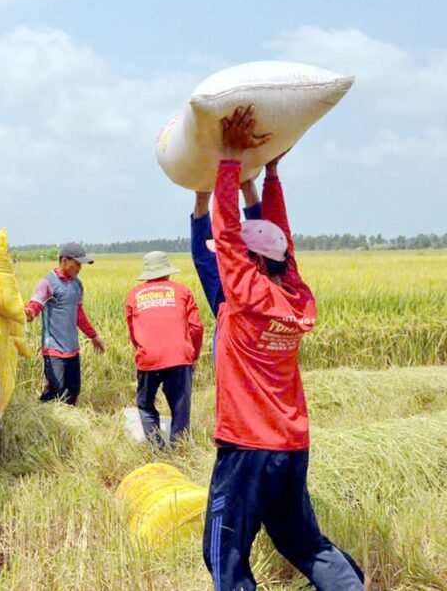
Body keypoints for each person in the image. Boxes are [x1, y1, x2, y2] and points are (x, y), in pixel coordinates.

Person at [202, 105, 364, 590]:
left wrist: (230, 161)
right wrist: (269, 174)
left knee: (224, 555)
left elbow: (228, 236)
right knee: (302, 542)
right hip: (291, 447)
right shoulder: (296, 298)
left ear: (251, 262)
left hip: (247, 449)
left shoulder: (247, 298)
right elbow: (280, 242)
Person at [124, 252, 203, 447]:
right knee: (180, 408)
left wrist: (144, 350)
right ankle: (179, 450)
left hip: (148, 358)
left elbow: (133, 332)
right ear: (167, 273)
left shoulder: (133, 295)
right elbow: (197, 327)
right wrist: (193, 356)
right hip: (179, 357)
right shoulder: (182, 291)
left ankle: (156, 449)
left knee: (145, 405)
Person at [25, 242, 106, 406]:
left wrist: (93, 336)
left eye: (80, 265)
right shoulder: (47, 283)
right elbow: (35, 304)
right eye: (76, 264)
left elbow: (79, 314)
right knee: (56, 390)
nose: (79, 268)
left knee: (73, 390)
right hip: (53, 349)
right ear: (64, 261)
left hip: (72, 348)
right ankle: (42, 419)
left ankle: (68, 424)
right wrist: (28, 313)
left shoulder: (77, 284)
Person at [191, 180, 262, 319]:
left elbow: (201, 255)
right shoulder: (265, 284)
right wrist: (248, 184)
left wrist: (202, 195)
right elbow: (263, 239)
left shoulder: (223, 296)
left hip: (230, 324)